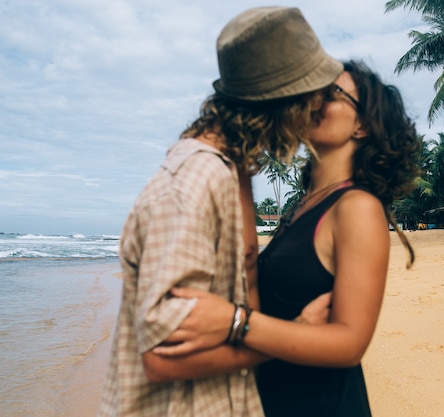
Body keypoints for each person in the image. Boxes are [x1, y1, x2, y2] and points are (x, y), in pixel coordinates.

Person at [97, 6, 343, 417]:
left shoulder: (235, 170)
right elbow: (162, 356)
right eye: (313, 92)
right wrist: (292, 336)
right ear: (282, 100)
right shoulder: (194, 182)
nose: (319, 105)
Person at [153, 60, 422, 417]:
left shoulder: (357, 207)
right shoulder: (303, 207)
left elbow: (350, 344)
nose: (313, 102)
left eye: (332, 95)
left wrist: (236, 322)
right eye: (314, 93)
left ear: (362, 125)